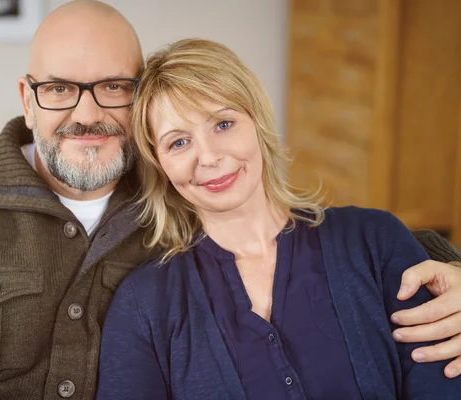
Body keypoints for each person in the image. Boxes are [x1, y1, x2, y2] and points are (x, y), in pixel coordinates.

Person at [0, 1, 459, 399]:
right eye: (61, 88)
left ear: (139, 99)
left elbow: (369, 250)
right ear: (27, 95)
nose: (87, 113)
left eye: (113, 88)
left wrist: (452, 272)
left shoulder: (162, 194)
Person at [96, 38, 461, 399]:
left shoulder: (375, 242)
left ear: (257, 121)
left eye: (223, 124)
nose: (208, 157)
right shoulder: (143, 305)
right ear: (160, 165)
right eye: (178, 142)